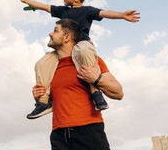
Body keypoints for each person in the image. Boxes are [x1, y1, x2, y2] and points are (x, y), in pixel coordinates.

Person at [20, 0, 139, 118]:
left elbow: (104, 13)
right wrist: (28, 2)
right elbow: (46, 7)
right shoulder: (63, 11)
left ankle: (96, 93)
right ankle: (44, 102)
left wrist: (122, 15)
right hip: (65, 49)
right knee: (41, 63)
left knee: (82, 51)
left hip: (82, 44)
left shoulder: (87, 11)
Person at [32, 19, 123, 150]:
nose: (50, 34)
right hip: (59, 134)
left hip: (89, 131)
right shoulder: (49, 67)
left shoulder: (90, 61)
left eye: (55, 31)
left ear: (67, 37)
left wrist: (96, 79)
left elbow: (119, 93)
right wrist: (38, 94)